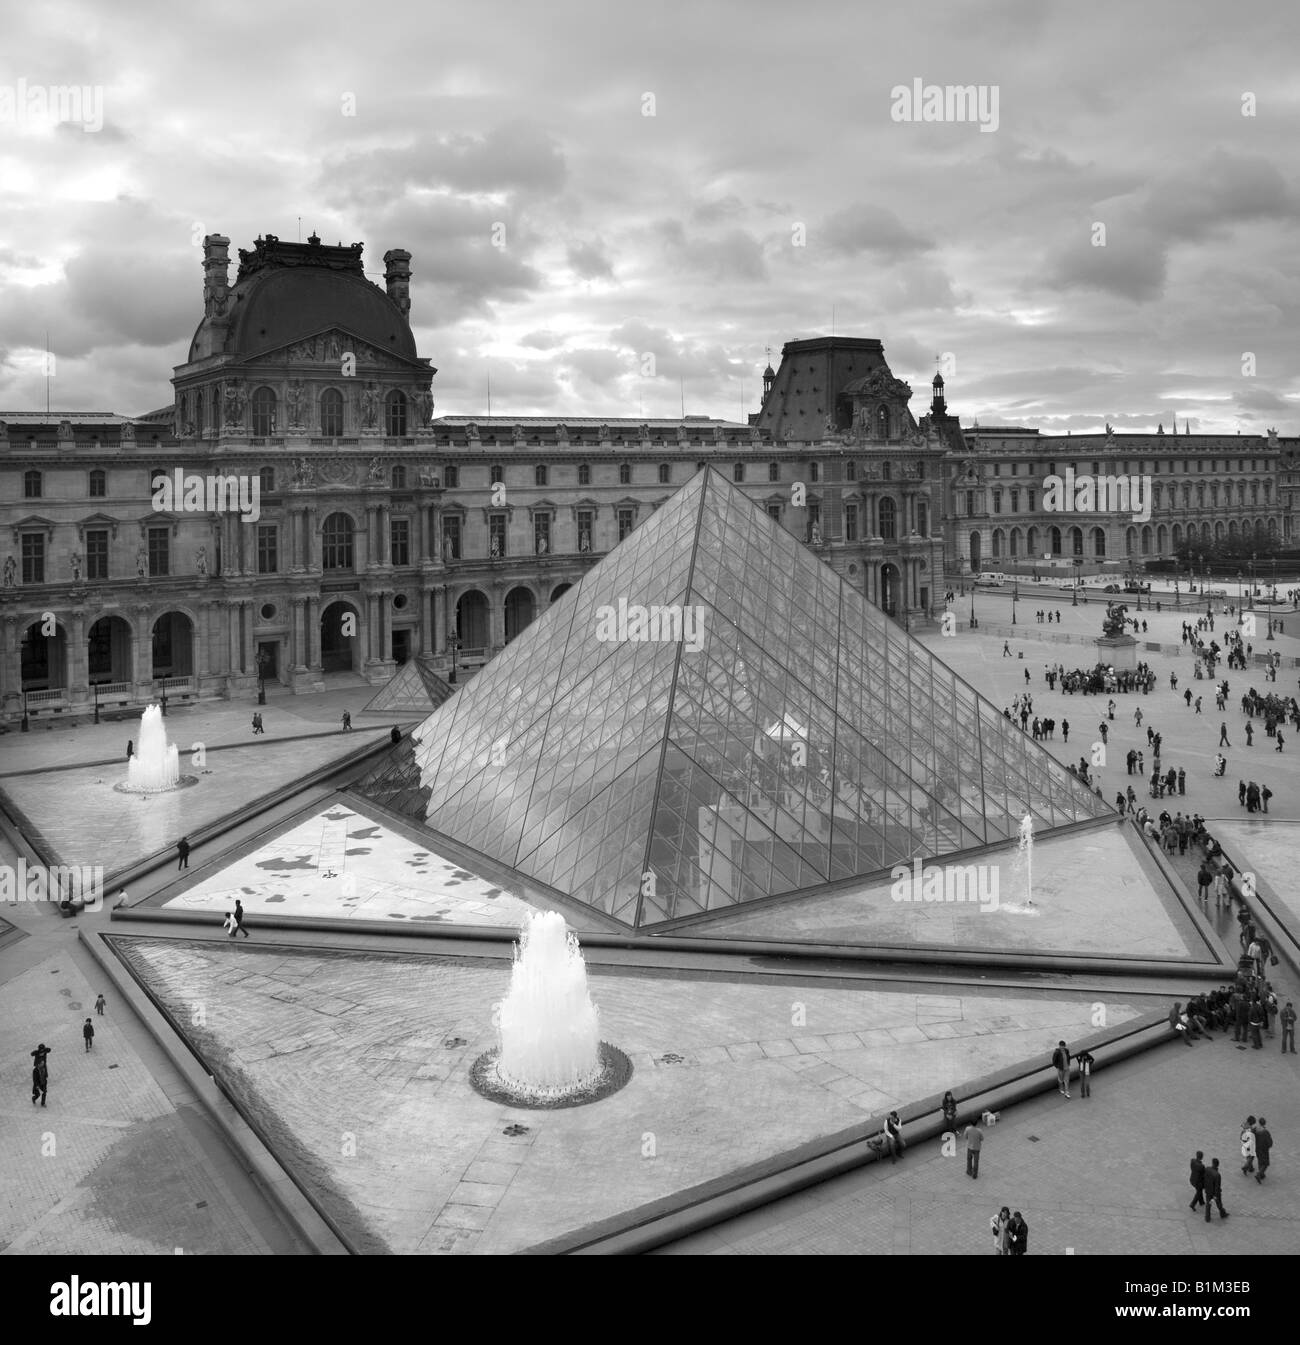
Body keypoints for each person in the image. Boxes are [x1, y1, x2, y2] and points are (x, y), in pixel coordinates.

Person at [1254, 1118, 1272, 1183]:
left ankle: (1261, 1174)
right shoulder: (1265, 1132)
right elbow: (1269, 1142)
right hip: (1264, 1149)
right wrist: (1269, 1145)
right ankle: (1259, 1174)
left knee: (1260, 1161)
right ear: (1264, 1123)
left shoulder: (1255, 1129)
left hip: (1257, 1148)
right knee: (1265, 1163)